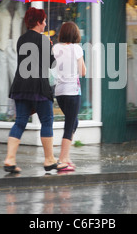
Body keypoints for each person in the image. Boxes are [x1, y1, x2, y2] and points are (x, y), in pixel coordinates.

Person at [3, 7, 68, 173]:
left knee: (20, 122)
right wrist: (50, 48)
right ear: (38, 22)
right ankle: (49, 160)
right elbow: (51, 64)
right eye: (44, 20)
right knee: (47, 121)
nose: (46, 24)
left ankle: (10, 159)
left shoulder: (21, 40)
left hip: (20, 86)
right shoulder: (44, 40)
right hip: (39, 86)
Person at [52, 22, 86, 171]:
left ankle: (66, 157)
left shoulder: (55, 48)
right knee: (70, 124)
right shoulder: (76, 48)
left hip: (59, 92)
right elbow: (83, 72)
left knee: (74, 122)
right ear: (75, 34)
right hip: (72, 92)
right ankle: (62, 160)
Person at [0, 0, 25, 115]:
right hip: (0, 46)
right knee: (0, 79)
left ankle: (18, 110)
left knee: (17, 79)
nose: (15, 0)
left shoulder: (21, 13)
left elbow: (23, 31)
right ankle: (1, 111)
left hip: (16, 46)